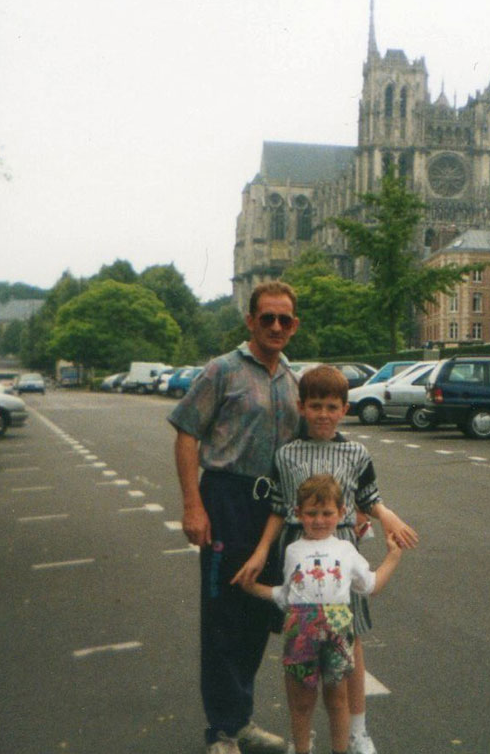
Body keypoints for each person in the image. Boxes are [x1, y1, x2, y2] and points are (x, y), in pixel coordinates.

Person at [233, 364, 418, 754]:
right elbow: (280, 507)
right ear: (302, 407)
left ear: (345, 409)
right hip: (298, 553)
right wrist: (263, 549)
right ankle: (304, 735)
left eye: (332, 406)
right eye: (315, 405)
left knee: (350, 639)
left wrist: (388, 517)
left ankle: (357, 731)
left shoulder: (356, 452)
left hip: (342, 551)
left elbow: (369, 497)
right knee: (303, 633)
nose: (323, 414)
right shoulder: (287, 454)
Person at [168, 280, 302, 754]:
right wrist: (192, 505)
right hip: (225, 499)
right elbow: (186, 434)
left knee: (258, 612)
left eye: (284, 319)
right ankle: (222, 731)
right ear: (250, 321)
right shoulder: (221, 370)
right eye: (266, 317)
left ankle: (240, 720)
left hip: (272, 511)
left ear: (294, 325)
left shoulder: (292, 379)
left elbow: (313, 446)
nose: (275, 326)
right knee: (224, 614)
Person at [240, 474, 403, 754]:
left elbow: (371, 585)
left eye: (327, 513)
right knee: (302, 701)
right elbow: (286, 595)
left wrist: (393, 557)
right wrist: (252, 588)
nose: (319, 520)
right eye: (311, 513)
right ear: (298, 514)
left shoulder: (346, 549)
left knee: (337, 700)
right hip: (300, 630)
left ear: (341, 513)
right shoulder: (291, 550)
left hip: (337, 629)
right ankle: (302, 747)